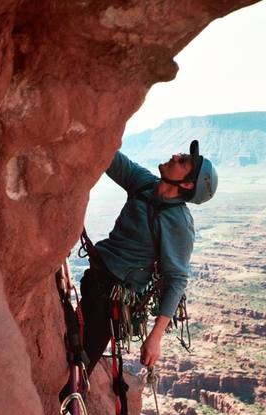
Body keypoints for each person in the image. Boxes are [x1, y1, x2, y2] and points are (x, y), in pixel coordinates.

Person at [80, 140, 218, 373]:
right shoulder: (144, 184)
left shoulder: (179, 223)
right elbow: (108, 154)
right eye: (181, 155)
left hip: (113, 298)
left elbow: (176, 280)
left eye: (183, 161)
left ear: (186, 183)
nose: (175, 156)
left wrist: (155, 337)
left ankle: (70, 401)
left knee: (80, 363)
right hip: (94, 278)